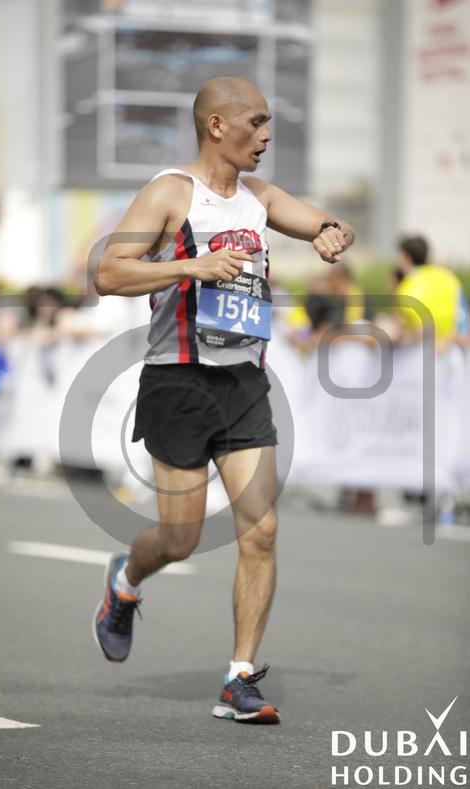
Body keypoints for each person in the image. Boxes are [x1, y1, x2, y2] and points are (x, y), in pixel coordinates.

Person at [93, 77, 355, 724]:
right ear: (217, 125)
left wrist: (330, 233)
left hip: (243, 383)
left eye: (268, 124)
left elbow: (323, 221)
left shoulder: (260, 197)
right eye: (256, 122)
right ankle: (126, 581)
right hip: (178, 381)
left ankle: (239, 677)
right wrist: (191, 266)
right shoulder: (170, 192)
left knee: (261, 531)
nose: (266, 135)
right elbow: (108, 272)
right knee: (179, 538)